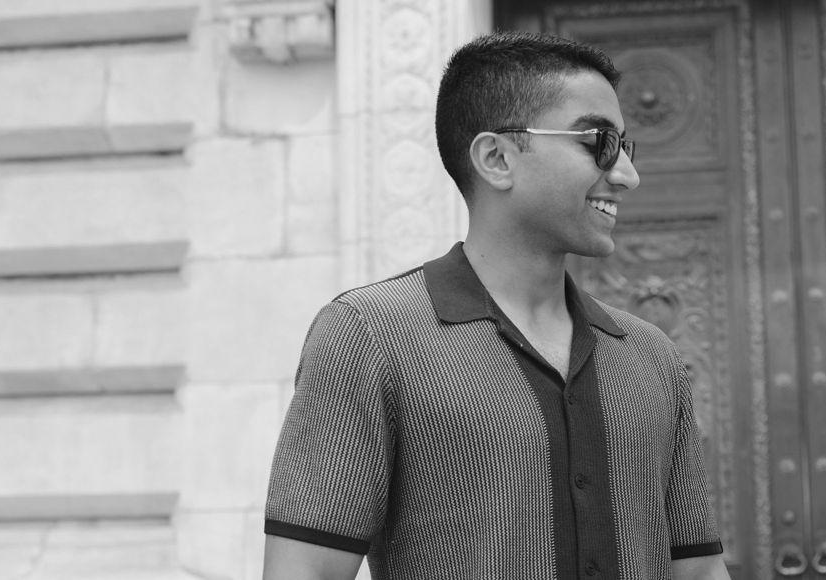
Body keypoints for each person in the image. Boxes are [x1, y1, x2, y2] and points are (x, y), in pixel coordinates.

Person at [261, 32, 730, 580]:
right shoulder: (369, 336)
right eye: (599, 142)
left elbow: (698, 572)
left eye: (626, 146)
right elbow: (306, 570)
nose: (627, 174)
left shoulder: (652, 357)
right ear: (496, 159)